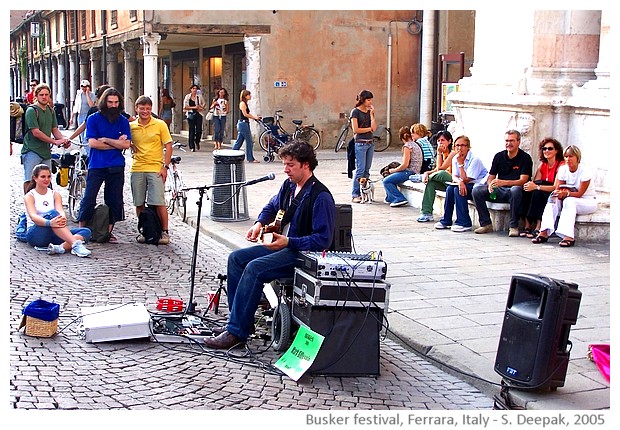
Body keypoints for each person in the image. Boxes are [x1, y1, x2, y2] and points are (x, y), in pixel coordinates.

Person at [204, 139, 336, 350]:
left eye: (290, 165)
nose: (285, 170)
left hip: (301, 254)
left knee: (254, 268)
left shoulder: (321, 196)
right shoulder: (289, 186)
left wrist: (290, 241)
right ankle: (237, 322)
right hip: (283, 246)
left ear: (306, 165)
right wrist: (259, 223)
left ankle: (237, 334)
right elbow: (271, 206)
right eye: (284, 164)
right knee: (236, 259)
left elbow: (323, 240)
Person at [77, 88, 132, 242]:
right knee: (89, 197)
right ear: (104, 102)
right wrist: (117, 143)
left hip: (116, 165)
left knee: (114, 199)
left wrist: (107, 140)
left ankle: (107, 232)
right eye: (110, 102)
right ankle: (81, 230)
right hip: (97, 164)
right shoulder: (93, 118)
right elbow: (93, 143)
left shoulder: (122, 120)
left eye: (116, 102)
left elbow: (126, 144)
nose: (113, 105)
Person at [532, 145, 596, 247]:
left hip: (586, 201)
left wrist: (566, 194)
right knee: (553, 198)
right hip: (568, 197)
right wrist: (560, 194)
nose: (568, 159)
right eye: (566, 156)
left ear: (577, 157)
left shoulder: (585, 171)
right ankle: (544, 231)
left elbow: (580, 193)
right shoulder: (563, 169)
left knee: (569, 201)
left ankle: (568, 236)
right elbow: (558, 188)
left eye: (571, 156)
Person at [130, 95, 173, 245]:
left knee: (158, 201)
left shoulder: (160, 124)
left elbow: (168, 145)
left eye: (148, 109)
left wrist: (165, 166)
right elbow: (126, 141)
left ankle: (164, 232)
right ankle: (144, 230)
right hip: (137, 168)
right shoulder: (132, 126)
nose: (145, 111)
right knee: (139, 202)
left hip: (155, 168)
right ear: (136, 109)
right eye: (142, 108)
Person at [472, 130, 532, 236]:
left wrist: (503, 182)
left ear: (518, 142)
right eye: (507, 141)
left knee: (516, 189)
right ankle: (486, 224)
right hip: (499, 190)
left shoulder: (525, 158)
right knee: (477, 190)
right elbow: (491, 177)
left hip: (515, 192)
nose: (509, 143)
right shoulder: (499, 156)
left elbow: (523, 180)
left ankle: (513, 226)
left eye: (512, 141)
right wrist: (491, 185)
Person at [23, 164, 92, 257]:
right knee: (53, 213)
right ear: (35, 178)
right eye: (43, 177)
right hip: (36, 234)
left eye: (48, 177)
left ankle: (60, 247)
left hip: (54, 232)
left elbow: (60, 210)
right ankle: (75, 244)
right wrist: (49, 223)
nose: (46, 179)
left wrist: (62, 218)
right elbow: (33, 216)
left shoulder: (55, 194)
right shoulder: (30, 196)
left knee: (86, 231)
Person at [20, 83, 70, 194]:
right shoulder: (32, 111)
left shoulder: (50, 110)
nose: (44, 97)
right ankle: (29, 206)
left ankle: (43, 205)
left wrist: (64, 140)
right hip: (31, 150)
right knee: (30, 179)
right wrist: (54, 141)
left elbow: (55, 129)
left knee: (45, 180)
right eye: (41, 94)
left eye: (46, 94)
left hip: (45, 151)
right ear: (36, 96)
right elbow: (36, 132)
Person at [433, 136, 488, 232]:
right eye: (457, 145)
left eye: (463, 145)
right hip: (464, 184)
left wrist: (461, 165)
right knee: (450, 189)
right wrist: (459, 182)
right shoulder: (455, 158)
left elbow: (467, 179)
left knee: (458, 190)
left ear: (468, 147)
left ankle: (464, 222)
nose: (460, 148)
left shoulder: (474, 160)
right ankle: (446, 220)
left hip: (478, 186)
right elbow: (454, 176)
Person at [520, 137, 565, 238]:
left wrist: (537, 187)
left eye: (550, 149)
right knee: (526, 190)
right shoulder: (543, 165)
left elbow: (555, 187)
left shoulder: (561, 165)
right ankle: (527, 225)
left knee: (537, 192)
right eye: (544, 149)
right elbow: (535, 182)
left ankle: (538, 226)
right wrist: (532, 186)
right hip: (541, 189)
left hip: (554, 192)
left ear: (556, 151)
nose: (546, 151)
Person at [417, 130, 455, 222]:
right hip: (445, 182)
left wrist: (438, 153)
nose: (440, 143)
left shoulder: (453, 153)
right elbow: (436, 170)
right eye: (438, 141)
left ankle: (420, 178)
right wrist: (427, 173)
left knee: (442, 173)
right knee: (431, 183)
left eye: (443, 140)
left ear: (449, 141)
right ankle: (426, 212)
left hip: (453, 180)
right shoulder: (443, 153)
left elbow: (440, 169)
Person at [382, 126, 423, 207]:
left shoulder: (407, 146)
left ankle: (399, 198)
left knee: (386, 181)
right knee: (388, 178)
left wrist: (393, 170)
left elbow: (405, 165)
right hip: (415, 170)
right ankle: (390, 197)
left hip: (410, 172)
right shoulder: (417, 144)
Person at [351, 90, 376, 203]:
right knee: (360, 169)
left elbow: (374, 127)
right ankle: (355, 194)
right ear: (363, 100)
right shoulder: (355, 112)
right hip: (360, 143)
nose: (370, 102)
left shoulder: (369, 111)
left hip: (370, 142)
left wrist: (371, 114)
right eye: (368, 100)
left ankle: (365, 192)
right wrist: (368, 129)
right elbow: (356, 129)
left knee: (367, 169)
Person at [232, 89, 261, 162]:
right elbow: (245, 114)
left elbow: (248, 114)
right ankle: (250, 158)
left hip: (244, 123)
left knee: (239, 141)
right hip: (243, 124)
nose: (250, 96)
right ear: (245, 96)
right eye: (249, 95)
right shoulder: (242, 104)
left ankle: (232, 155)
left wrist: (255, 118)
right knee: (249, 141)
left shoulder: (245, 103)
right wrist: (254, 117)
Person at [182, 84, 206, 151]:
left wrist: (201, 108)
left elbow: (204, 103)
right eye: (193, 88)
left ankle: (197, 141)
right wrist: (194, 107)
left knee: (199, 130)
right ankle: (192, 146)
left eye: (196, 88)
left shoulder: (199, 96)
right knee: (191, 130)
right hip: (190, 114)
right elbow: (185, 107)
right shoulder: (187, 97)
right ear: (191, 89)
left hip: (198, 114)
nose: (194, 90)